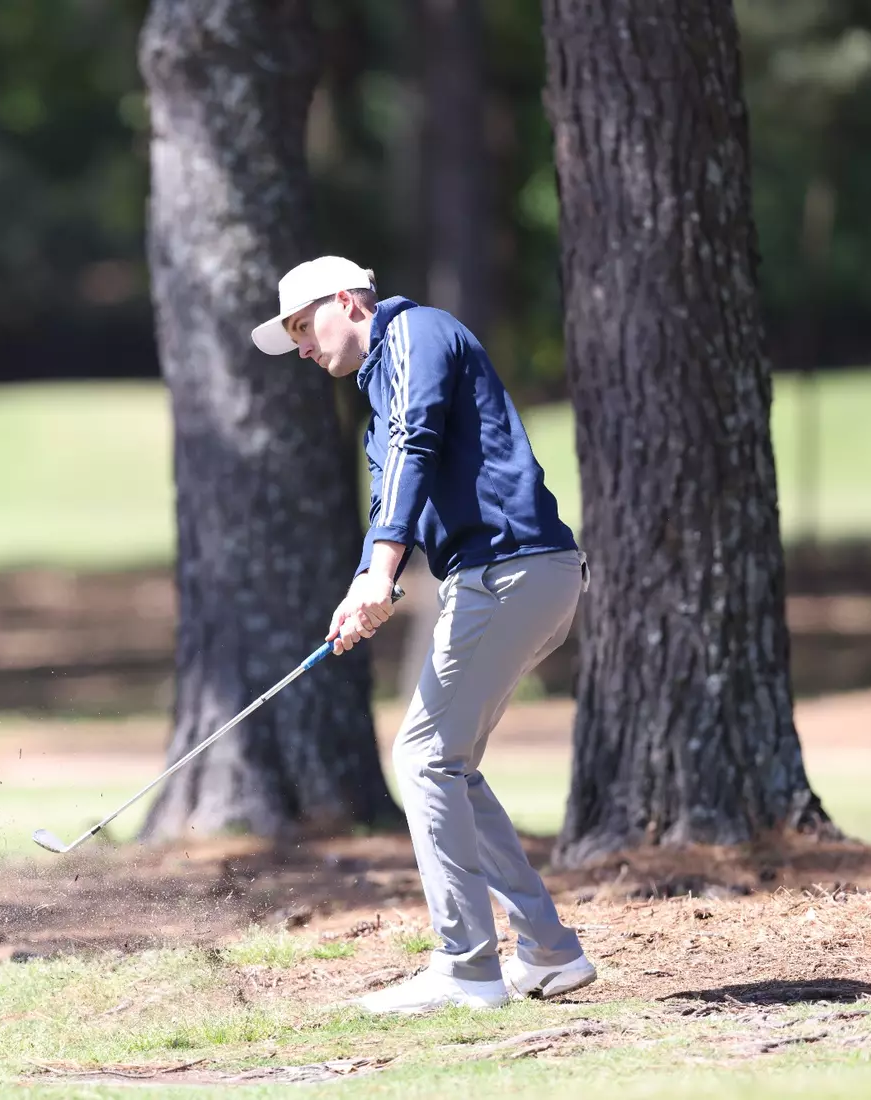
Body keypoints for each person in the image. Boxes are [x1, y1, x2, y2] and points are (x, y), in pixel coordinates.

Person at [251, 255, 598, 1015]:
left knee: (421, 757)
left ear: (348, 301)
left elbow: (416, 444)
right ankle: (549, 950)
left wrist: (380, 577)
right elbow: (400, 491)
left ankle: (467, 967)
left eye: (306, 328)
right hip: (508, 575)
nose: (304, 349)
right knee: (451, 768)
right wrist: (363, 586)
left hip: (512, 570)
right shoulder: (380, 389)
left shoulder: (413, 336)